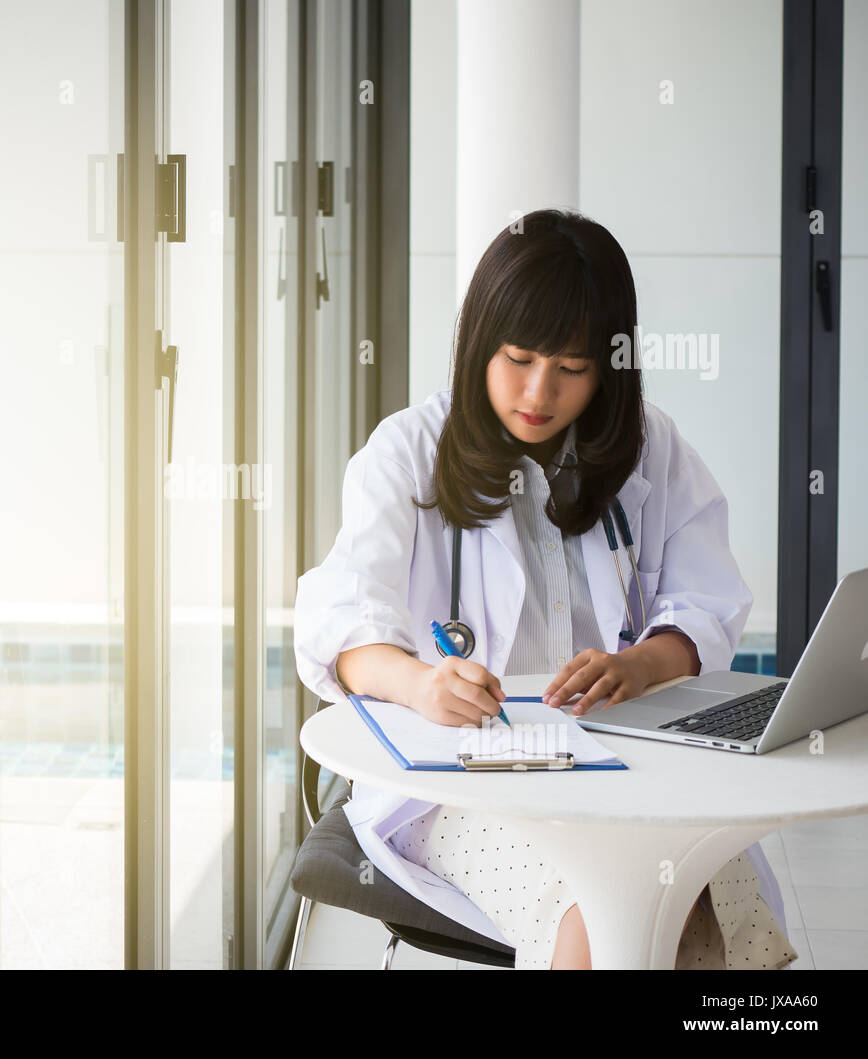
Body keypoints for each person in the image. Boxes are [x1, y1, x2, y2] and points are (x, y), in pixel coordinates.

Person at [292, 208, 797, 969]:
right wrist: (422, 682)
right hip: (455, 783)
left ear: (610, 366)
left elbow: (708, 602)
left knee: (700, 901)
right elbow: (339, 620)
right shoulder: (406, 453)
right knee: (599, 910)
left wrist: (642, 664)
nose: (539, 391)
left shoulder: (648, 447)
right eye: (519, 357)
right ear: (478, 347)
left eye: (571, 368)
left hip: (621, 764)